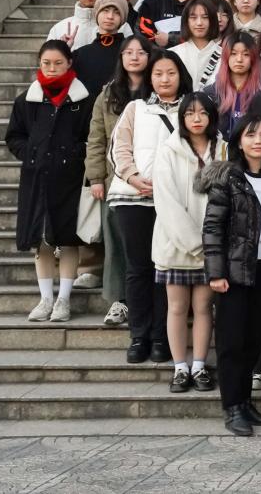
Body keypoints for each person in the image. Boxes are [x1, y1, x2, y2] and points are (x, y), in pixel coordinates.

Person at [201, 113, 261, 436]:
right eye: (251, 135)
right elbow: (212, 227)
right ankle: (232, 407)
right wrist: (216, 272)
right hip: (233, 271)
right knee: (231, 341)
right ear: (239, 141)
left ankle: (246, 402)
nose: (258, 141)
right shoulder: (228, 177)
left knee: (253, 338)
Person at [108, 49, 192, 363]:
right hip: (133, 198)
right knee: (138, 268)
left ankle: (161, 337)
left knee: (165, 268)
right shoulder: (136, 108)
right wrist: (132, 176)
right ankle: (138, 336)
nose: (164, 79)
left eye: (170, 73)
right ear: (149, 77)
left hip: (173, 202)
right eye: (158, 74)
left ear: (180, 75)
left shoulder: (191, 109)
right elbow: (119, 146)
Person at [6, 40, 93, 323]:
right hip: (35, 178)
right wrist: (30, 153)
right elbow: (14, 136)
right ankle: (45, 299)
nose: (52, 68)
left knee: (67, 239)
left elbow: (92, 138)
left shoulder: (83, 100)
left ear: (69, 63)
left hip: (70, 179)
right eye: (46, 63)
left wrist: (75, 155)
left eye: (58, 63)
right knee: (40, 241)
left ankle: (63, 300)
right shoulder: (26, 100)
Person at [150, 94, 227, 393]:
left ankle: (199, 366)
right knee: (177, 307)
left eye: (203, 113)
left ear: (211, 117)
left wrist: (212, 244)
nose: (197, 119)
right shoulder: (168, 151)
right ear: (181, 118)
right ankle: (180, 367)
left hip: (212, 246)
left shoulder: (222, 149)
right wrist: (197, 244)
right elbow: (166, 202)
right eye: (190, 113)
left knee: (205, 307)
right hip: (176, 245)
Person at [85, 34, 152, 327]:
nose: (134, 57)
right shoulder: (108, 94)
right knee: (116, 244)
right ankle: (119, 300)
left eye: (141, 52)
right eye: (128, 52)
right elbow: (96, 138)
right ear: (121, 58)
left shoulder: (157, 90)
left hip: (151, 179)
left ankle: (150, 299)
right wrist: (95, 177)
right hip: (115, 180)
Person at [204, 32, 261, 142]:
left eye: (246, 54)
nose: (239, 59)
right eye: (233, 53)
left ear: (253, 58)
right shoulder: (210, 94)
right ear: (225, 56)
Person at [70, 0, 129, 93]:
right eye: (105, 10)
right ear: (97, 13)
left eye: (117, 12)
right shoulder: (81, 54)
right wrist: (63, 51)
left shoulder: (129, 52)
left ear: (122, 18)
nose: (110, 16)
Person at [169, 0, 223, 91]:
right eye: (193, 18)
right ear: (186, 21)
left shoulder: (224, 55)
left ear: (213, 21)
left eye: (205, 17)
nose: (199, 23)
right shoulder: (173, 54)